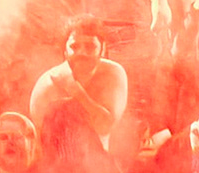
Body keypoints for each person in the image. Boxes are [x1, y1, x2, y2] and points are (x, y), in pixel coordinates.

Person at [29, 15, 128, 153]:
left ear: (102, 49)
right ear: (65, 51)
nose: (82, 53)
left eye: (90, 46)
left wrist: (76, 91)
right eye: (74, 46)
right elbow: (40, 143)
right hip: (57, 160)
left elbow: (104, 126)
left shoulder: (112, 74)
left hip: (100, 160)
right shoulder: (48, 85)